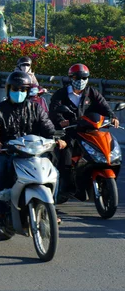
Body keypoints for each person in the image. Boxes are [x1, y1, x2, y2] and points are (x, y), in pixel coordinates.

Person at [0, 71, 66, 227]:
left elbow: (47, 127)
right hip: (7, 151)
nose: (19, 92)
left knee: (54, 171)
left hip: (34, 151)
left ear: (28, 91)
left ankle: (51, 208)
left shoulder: (36, 108)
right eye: (15, 88)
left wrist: (57, 139)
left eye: (23, 89)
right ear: (8, 89)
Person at [48, 63, 118, 200]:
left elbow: (104, 106)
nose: (80, 81)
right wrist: (61, 119)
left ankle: (94, 178)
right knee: (66, 154)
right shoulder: (61, 94)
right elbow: (54, 110)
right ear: (70, 78)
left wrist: (113, 117)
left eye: (84, 77)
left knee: (105, 148)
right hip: (69, 131)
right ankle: (66, 187)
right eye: (76, 77)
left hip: (89, 130)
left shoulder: (92, 93)